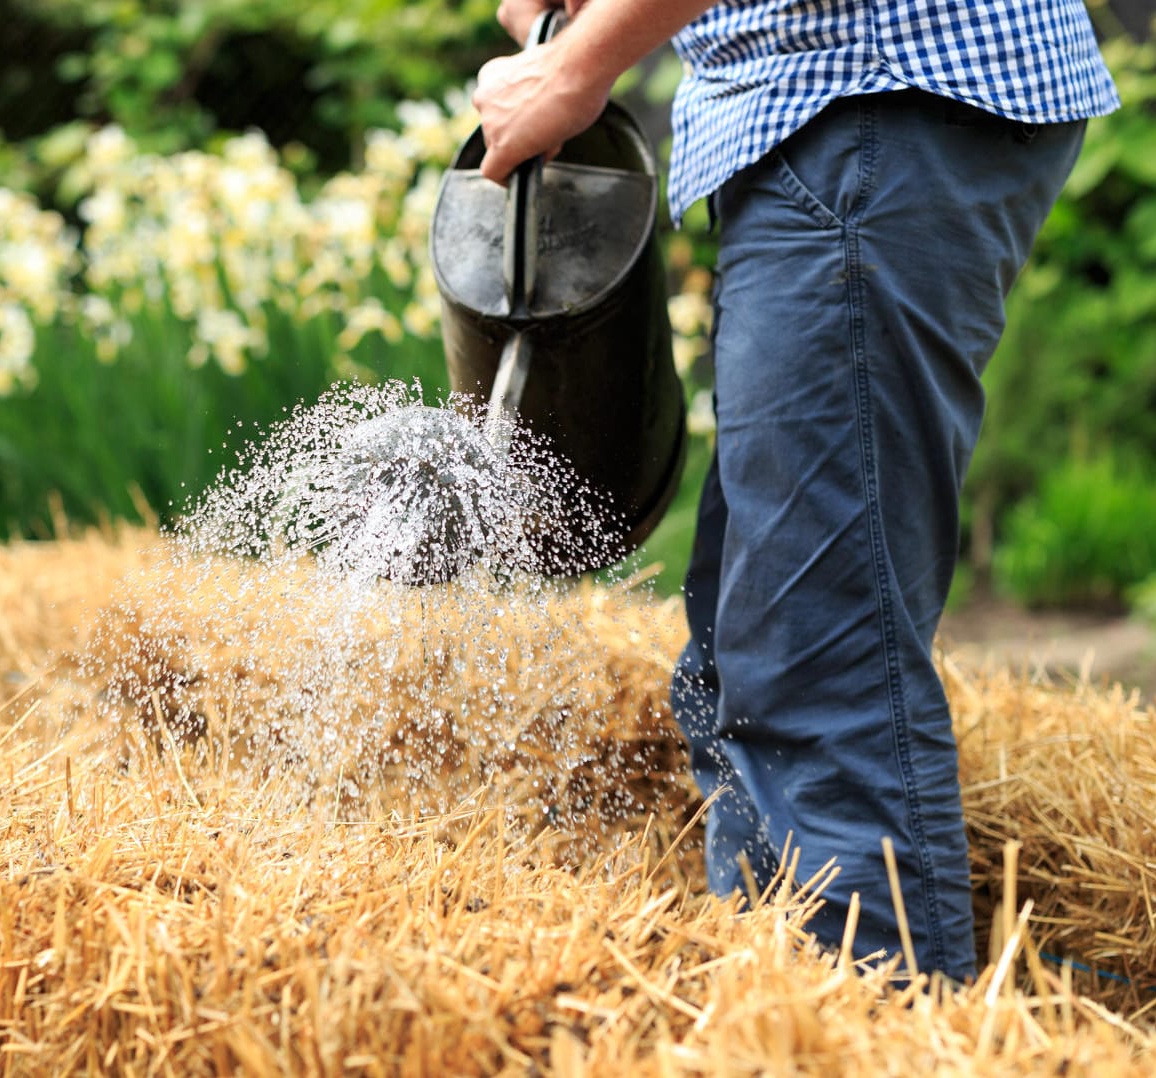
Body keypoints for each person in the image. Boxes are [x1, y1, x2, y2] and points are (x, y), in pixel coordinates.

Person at [473, 0, 1118, 981]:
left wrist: (576, 69)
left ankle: (868, 1015)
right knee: (749, 644)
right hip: (842, 108)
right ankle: (776, 991)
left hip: (866, 93)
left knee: (818, 657)